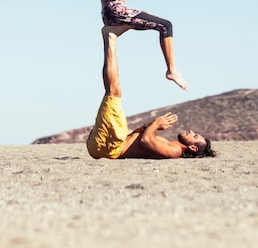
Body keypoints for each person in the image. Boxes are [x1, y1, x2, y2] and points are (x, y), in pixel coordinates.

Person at [86, 26, 216, 159]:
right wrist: (149, 125)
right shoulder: (171, 145)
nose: (191, 131)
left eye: (194, 136)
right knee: (114, 92)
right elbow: (135, 136)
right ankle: (110, 38)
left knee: (114, 92)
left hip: (109, 146)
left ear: (193, 147)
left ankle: (110, 37)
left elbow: (146, 140)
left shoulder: (174, 151)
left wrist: (156, 123)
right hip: (111, 142)